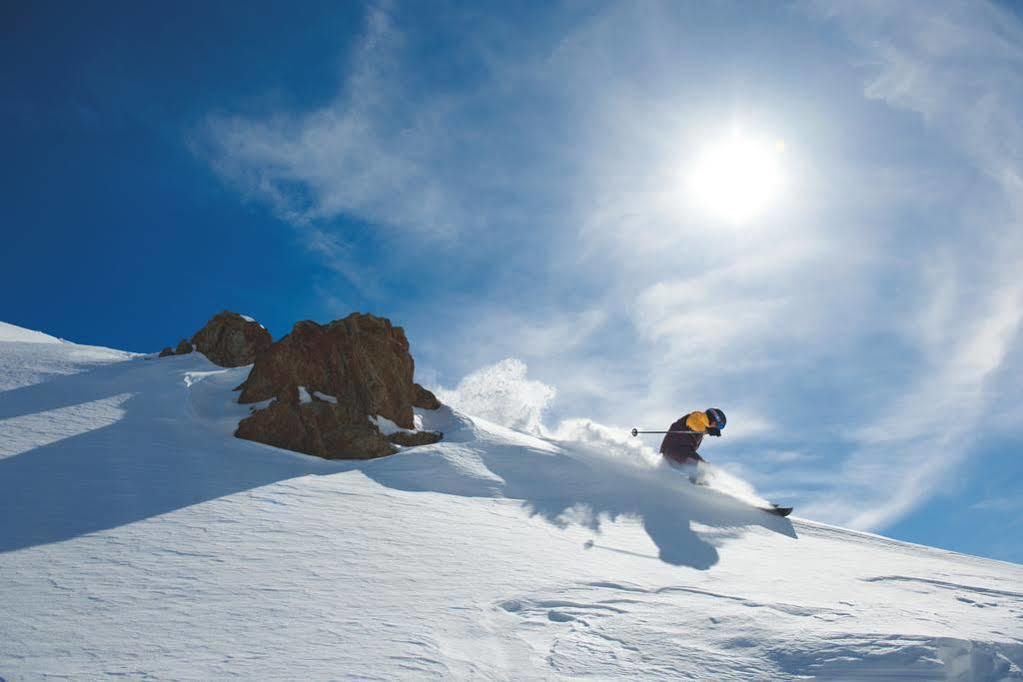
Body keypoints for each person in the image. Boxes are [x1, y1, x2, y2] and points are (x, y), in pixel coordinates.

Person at [659, 408, 726, 477]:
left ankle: (693, 484)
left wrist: (707, 430)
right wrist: (707, 429)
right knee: (703, 467)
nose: (716, 428)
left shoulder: (701, 429)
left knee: (701, 469)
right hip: (676, 450)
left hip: (674, 453)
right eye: (718, 425)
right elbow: (692, 423)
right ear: (714, 419)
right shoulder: (698, 416)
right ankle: (701, 483)